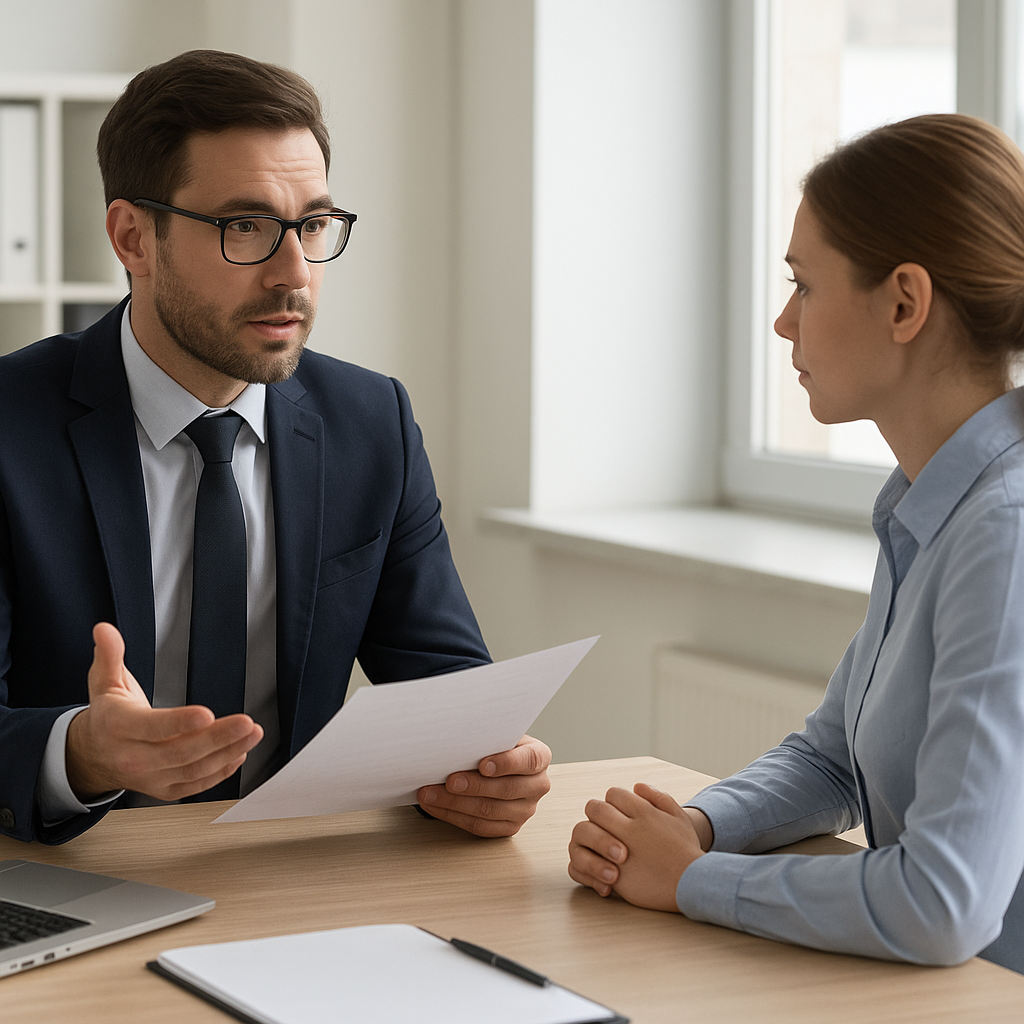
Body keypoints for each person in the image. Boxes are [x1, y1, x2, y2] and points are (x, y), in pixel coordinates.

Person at [0, 49, 550, 845]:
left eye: (314, 225)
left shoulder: (371, 421)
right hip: (63, 875)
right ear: (133, 238)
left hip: (280, 870)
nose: (294, 272)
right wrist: (80, 754)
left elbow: (447, 688)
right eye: (245, 227)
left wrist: (491, 770)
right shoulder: (13, 428)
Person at [567, 113, 1024, 974]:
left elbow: (942, 905)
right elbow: (833, 760)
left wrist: (696, 882)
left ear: (904, 302)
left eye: (804, 286)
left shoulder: (1004, 534)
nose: (784, 322)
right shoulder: (931, 505)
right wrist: (694, 829)